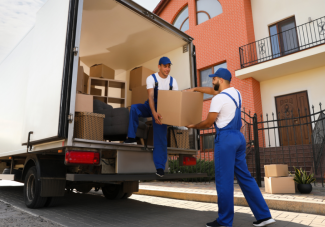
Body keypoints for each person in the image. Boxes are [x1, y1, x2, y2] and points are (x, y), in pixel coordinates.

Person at [186, 68, 275, 227]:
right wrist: (195, 89)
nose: (212, 81)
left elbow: (208, 122)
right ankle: (264, 216)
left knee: (224, 180)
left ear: (219, 80)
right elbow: (213, 92)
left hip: (225, 139)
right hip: (239, 138)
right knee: (246, 178)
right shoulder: (236, 93)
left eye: (214, 79)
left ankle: (224, 221)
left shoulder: (218, 99)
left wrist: (192, 125)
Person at [124, 56, 178, 177]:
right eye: (165, 66)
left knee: (160, 136)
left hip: (163, 109)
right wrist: (153, 112)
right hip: (150, 105)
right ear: (159, 66)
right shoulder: (151, 78)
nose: (167, 69)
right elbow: (151, 96)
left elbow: (175, 100)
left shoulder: (172, 81)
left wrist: (170, 115)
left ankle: (160, 167)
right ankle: (131, 138)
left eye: (169, 66)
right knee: (134, 108)